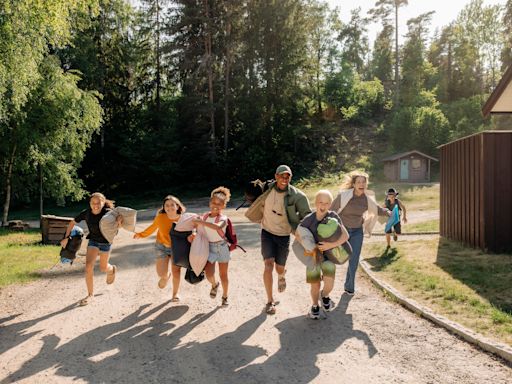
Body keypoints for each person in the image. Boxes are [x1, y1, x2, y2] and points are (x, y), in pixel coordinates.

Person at [245, 165, 311, 315]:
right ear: (276, 176)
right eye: (281, 176)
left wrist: (306, 234)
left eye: (287, 176)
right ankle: (270, 301)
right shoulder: (266, 190)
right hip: (267, 232)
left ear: (290, 178)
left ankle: (282, 275)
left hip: (283, 235)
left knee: (278, 268)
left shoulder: (297, 196)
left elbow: (307, 216)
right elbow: (252, 197)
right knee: (268, 265)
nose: (284, 179)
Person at [330, 171, 390, 295]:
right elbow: (331, 210)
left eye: (364, 182)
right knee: (335, 257)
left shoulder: (366, 199)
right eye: (359, 182)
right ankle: (325, 279)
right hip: (342, 231)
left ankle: (349, 286)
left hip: (357, 231)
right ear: (353, 184)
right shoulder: (344, 196)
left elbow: (376, 209)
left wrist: (388, 212)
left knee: (354, 259)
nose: (362, 184)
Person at [61, 192, 121, 306]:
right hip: (93, 241)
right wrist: (66, 238)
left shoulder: (109, 214)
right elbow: (72, 222)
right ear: (90, 203)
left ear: (103, 202)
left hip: (106, 243)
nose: (96, 205)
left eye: (99, 202)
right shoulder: (86, 213)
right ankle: (90, 295)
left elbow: (118, 226)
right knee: (88, 266)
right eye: (93, 203)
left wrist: (119, 222)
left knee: (103, 268)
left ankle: (111, 270)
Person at [298, 190, 349, 319]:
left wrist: (330, 246)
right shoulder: (309, 219)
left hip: (329, 256)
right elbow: (298, 234)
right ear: (315, 203)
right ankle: (315, 306)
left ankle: (325, 295)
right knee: (315, 284)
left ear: (330, 204)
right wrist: (310, 246)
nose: (323, 205)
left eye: (326, 203)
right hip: (313, 257)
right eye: (320, 202)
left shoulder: (334, 217)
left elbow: (345, 235)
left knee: (329, 283)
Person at [133, 195, 185, 301]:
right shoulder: (160, 217)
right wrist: (141, 234)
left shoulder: (183, 219)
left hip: (177, 248)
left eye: (172, 205)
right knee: (161, 274)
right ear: (164, 207)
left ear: (177, 206)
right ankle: (166, 276)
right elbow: (152, 228)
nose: (169, 207)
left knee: (176, 272)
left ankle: (175, 294)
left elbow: (190, 231)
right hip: (161, 247)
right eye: (167, 205)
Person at [193, 187, 232, 306]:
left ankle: (225, 296)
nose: (216, 205)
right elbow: (195, 225)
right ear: (210, 203)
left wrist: (201, 222)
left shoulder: (224, 218)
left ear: (223, 206)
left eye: (219, 204)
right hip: (209, 247)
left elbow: (217, 227)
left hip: (222, 248)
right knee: (209, 274)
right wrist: (194, 232)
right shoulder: (204, 216)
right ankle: (215, 285)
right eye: (214, 202)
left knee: (223, 274)